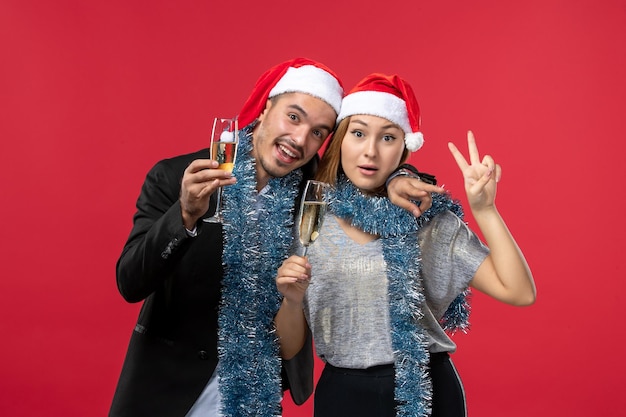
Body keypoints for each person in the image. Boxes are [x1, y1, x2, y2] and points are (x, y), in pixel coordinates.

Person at [109, 59, 440, 417]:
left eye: (318, 132)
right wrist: (185, 215)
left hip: (259, 392)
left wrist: (400, 176)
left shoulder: (315, 192)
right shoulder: (180, 176)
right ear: (266, 107)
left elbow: (373, 166)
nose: (299, 140)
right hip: (169, 390)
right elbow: (130, 282)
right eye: (293, 117)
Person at [275, 73, 537, 417]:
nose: (370, 151)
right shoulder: (309, 218)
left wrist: (485, 210)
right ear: (340, 140)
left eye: (387, 137)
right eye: (358, 133)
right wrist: (293, 301)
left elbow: (519, 291)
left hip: (426, 390)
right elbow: (290, 346)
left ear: (403, 147)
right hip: (342, 395)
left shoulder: (428, 219)